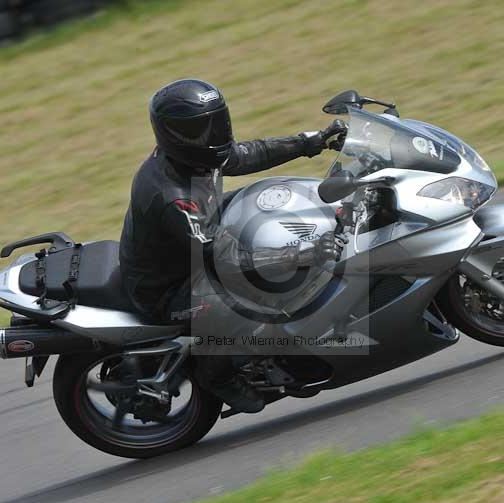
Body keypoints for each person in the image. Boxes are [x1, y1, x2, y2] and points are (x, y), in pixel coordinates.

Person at [119, 79, 346, 413]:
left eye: (216, 122)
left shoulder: (196, 157)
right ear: (175, 135)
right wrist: (303, 253)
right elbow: (226, 261)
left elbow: (246, 155)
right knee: (242, 304)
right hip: (169, 286)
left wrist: (310, 142)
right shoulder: (173, 197)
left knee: (270, 201)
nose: (214, 134)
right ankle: (216, 373)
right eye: (201, 129)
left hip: (199, 244)